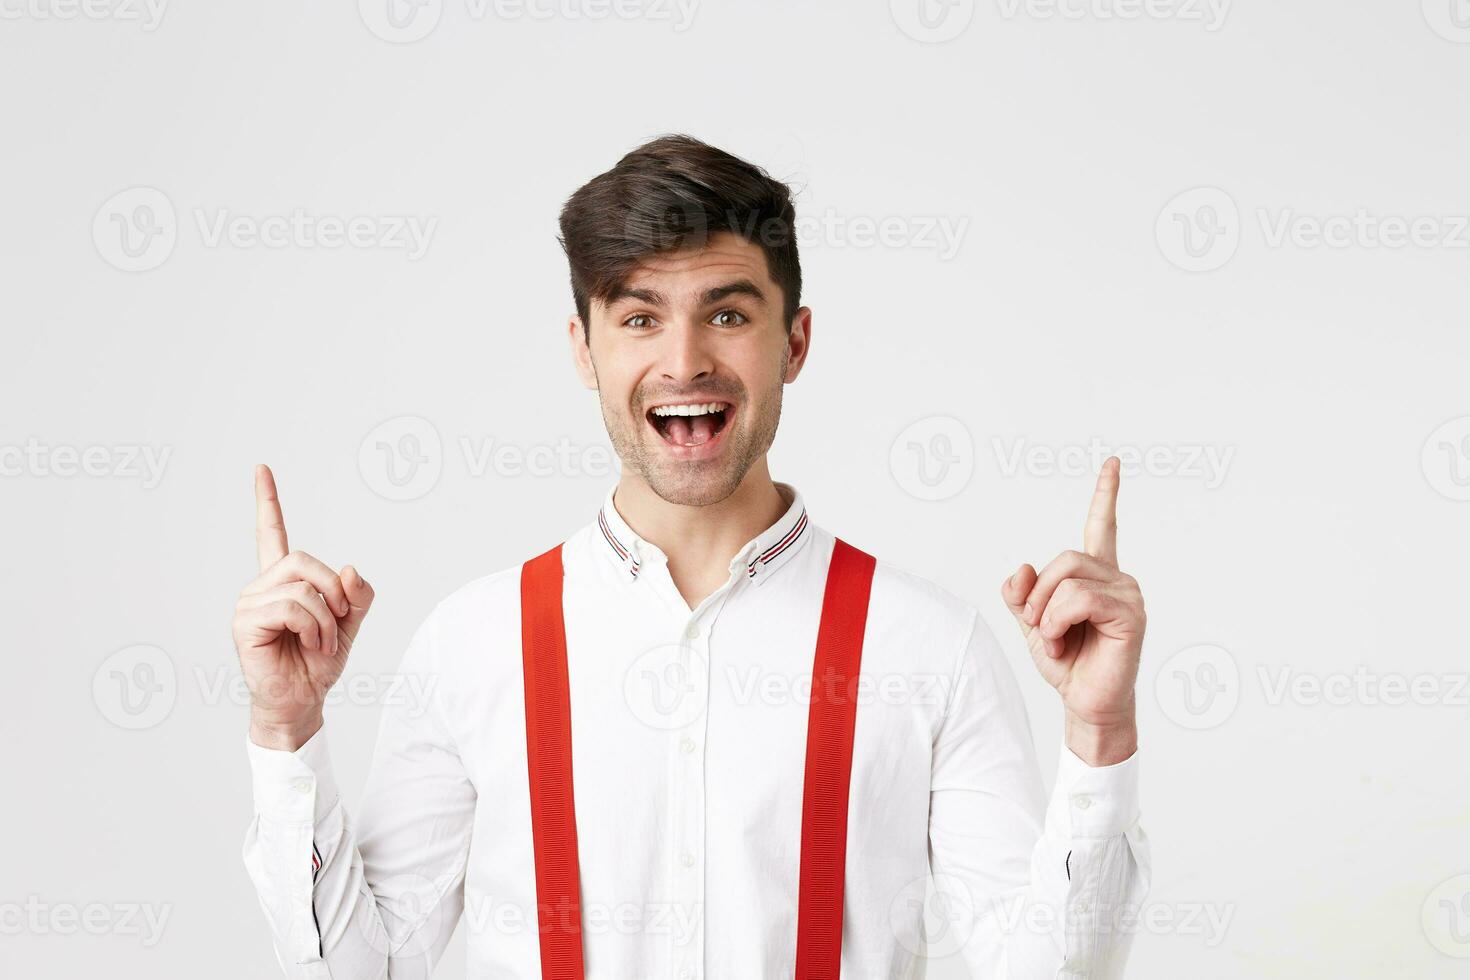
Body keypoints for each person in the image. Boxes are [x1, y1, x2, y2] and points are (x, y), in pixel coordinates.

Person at [235, 134, 1151, 979]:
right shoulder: (474, 642)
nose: (683, 361)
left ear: (793, 343)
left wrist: (1099, 735)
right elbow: (365, 967)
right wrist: (286, 731)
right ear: (584, 351)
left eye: (726, 314)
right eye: (639, 319)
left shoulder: (929, 647)